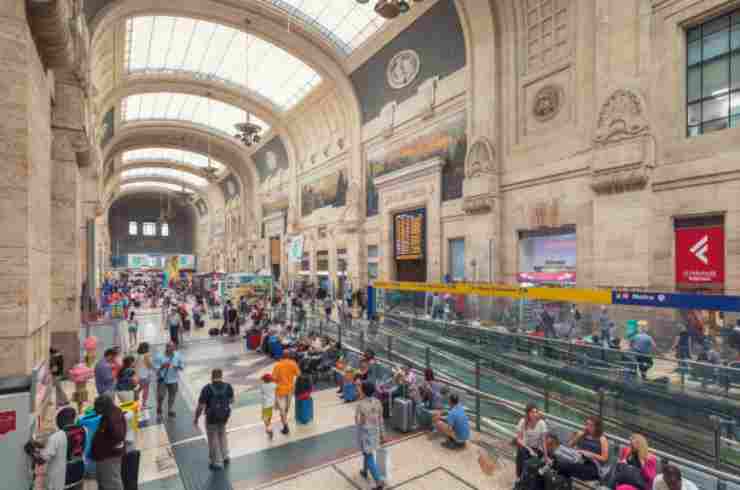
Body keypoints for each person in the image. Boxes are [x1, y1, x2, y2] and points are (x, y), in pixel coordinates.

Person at [194, 369, 234, 471]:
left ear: (212, 376)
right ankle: (225, 456)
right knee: (222, 434)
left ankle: (216, 462)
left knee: (213, 438)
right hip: (224, 416)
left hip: (211, 418)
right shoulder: (228, 386)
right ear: (221, 375)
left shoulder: (207, 389)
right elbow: (231, 400)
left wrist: (196, 418)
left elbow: (200, 406)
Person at [90, 395, 127, 490]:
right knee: (105, 482)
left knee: (111, 484)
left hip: (108, 457)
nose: (96, 411)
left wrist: (107, 445)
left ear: (104, 406)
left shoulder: (112, 418)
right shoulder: (112, 413)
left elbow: (119, 435)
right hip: (105, 457)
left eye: (98, 408)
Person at [558, 416, 609, 481]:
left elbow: (604, 458)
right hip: (579, 461)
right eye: (587, 424)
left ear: (597, 427)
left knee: (565, 467)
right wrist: (576, 436)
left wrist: (590, 454)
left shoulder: (602, 439)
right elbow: (569, 446)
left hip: (593, 466)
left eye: (591, 425)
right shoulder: (583, 435)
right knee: (561, 464)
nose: (588, 427)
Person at [355, 381, 386, 490]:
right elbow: (381, 419)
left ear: (363, 391)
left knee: (368, 455)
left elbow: (358, 421)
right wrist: (383, 434)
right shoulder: (378, 402)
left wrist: (361, 421)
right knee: (367, 453)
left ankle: (378, 481)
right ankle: (364, 471)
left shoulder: (360, 404)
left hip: (365, 435)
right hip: (376, 433)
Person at [33, 415, 69, 490]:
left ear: (57, 421)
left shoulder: (55, 437)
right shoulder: (67, 434)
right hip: (66, 476)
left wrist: (32, 451)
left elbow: (42, 460)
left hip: (55, 480)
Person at [514, 403, 548, 481]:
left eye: (536, 412)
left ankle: (523, 479)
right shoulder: (523, 421)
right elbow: (518, 439)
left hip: (537, 449)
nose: (534, 414)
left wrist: (546, 457)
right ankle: (519, 477)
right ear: (528, 413)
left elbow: (543, 442)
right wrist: (529, 449)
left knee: (527, 457)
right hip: (526, 447)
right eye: (532, 412)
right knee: (522, 452)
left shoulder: (542, 423)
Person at [271, 351, 301, 435]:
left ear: (282, 356)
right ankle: (284, 421)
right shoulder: (293, 363)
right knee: (286, 408)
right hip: (290, 389)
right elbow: (298, 374)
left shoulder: (278, 365)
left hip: (280, 390)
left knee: (282, 409)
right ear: (289, 356)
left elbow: (273, 378)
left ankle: (285, 425)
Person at [154, 342, 184, 419]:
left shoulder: (178, 355)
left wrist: (177, 367)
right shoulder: (159, 356)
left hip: (174, 379)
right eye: (170, 348)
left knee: (172, 395)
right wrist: (162, 366)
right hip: (162, 379)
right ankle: (159, 407)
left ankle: (170, 409)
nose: (172, 350)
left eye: (173, 348)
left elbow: (181, 367)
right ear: (166, 348)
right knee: (161, 395)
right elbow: (156, 370)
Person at [136, 342, 153, 409]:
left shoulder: (139, 355)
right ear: (146, 348)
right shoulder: (146, 355)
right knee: (145, 390)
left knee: (139, 389)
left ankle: (136, 401)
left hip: (140, 376)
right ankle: (143, 405)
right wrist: (154, 367)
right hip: (145, 376)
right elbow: (149, 365)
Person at [260, 373, 277, 440]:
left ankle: (269, 429)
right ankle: (268, 427)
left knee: (264, 418)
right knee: (269, 416)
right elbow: (276, 385)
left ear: (264, 380)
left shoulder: (263, 386)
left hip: (265, 404)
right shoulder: (274, 385)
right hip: (272, 403)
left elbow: (262, 393)